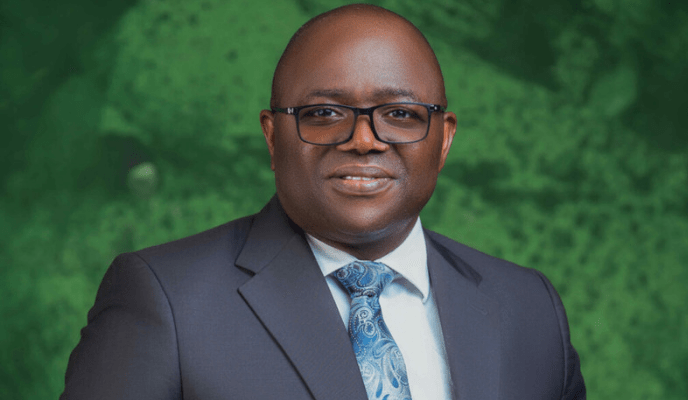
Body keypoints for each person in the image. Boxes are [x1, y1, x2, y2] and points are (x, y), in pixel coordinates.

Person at [61, 4, 585, 400]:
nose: (364, 140)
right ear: (272, 137)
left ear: (443, 139)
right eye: (324, 114)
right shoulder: (165, 301)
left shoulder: (529, 307)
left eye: (400, 115)